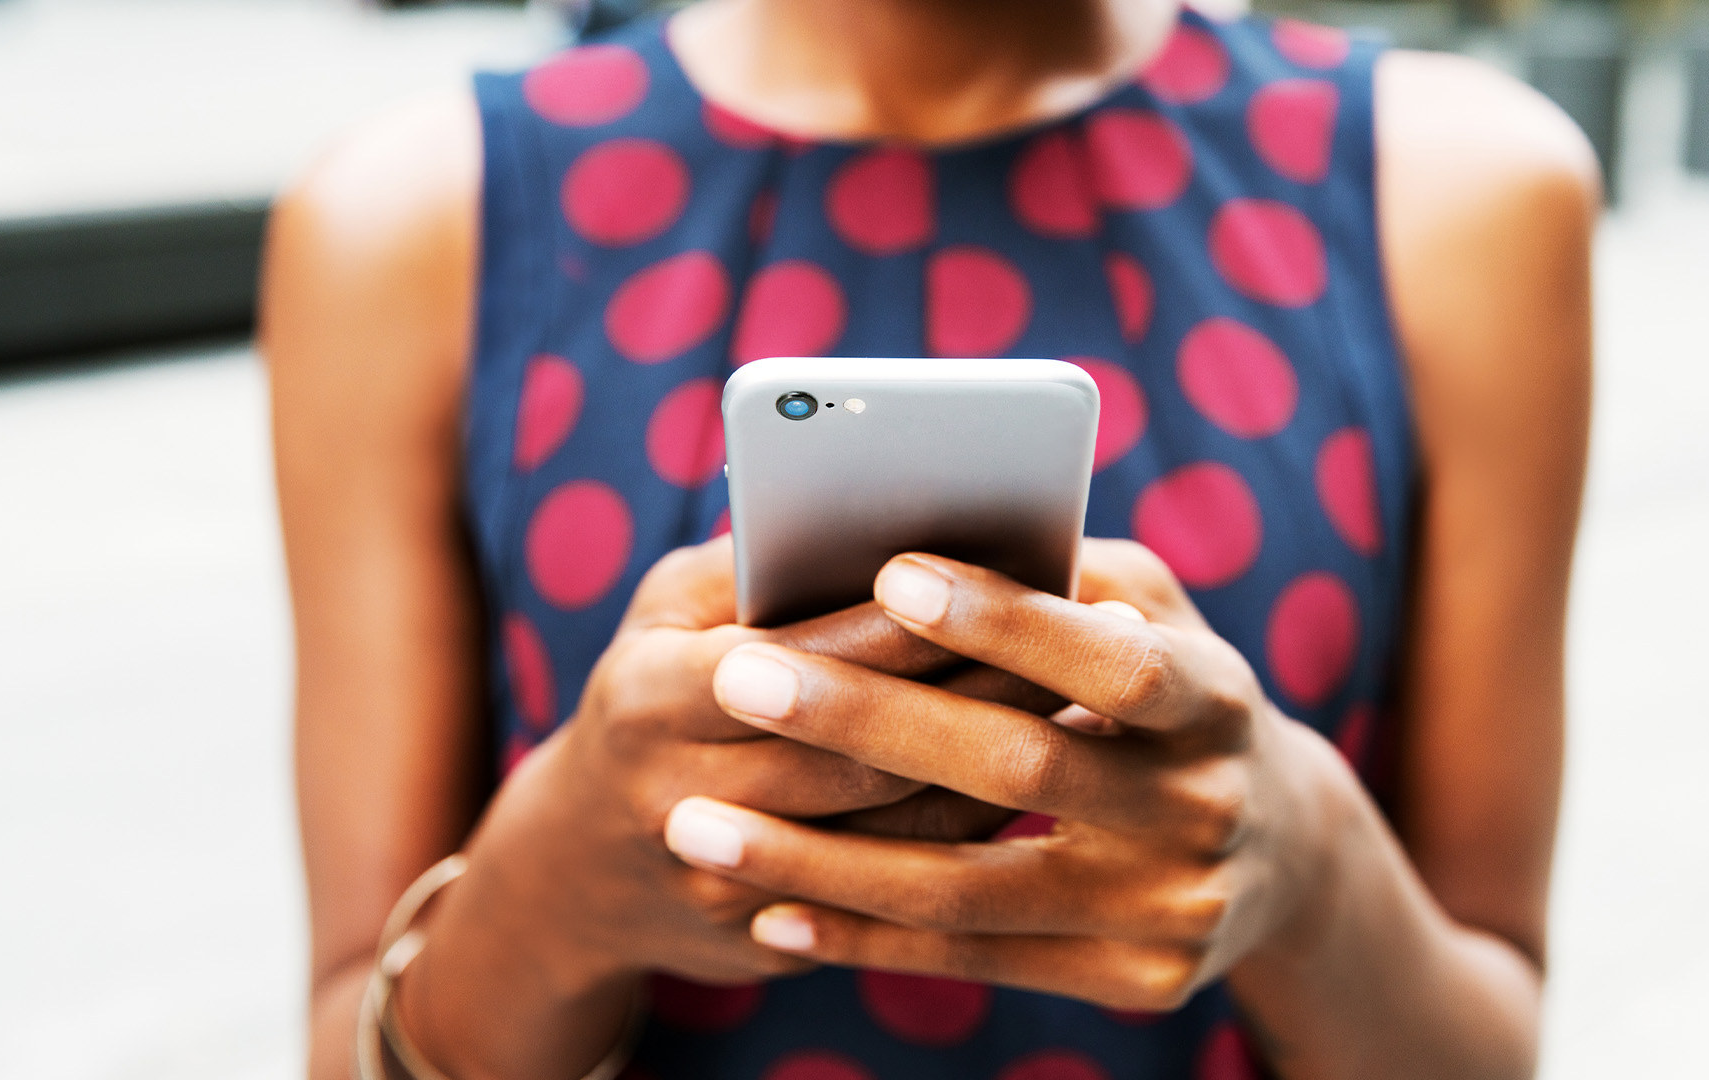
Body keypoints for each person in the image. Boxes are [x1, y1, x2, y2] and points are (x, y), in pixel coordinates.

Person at [261, 0, 1595, 1076]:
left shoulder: (1459, 195)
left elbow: (1485, 1040)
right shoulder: (414, 222)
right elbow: (347, 1040)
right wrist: (549, 898)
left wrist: (1310, 870)